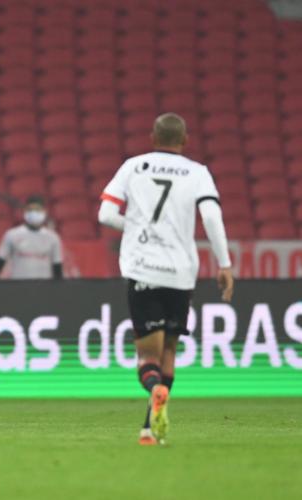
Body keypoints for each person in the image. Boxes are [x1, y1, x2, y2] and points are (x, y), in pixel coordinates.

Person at [97, 112, 234, 446]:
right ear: (185, 140)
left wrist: (136, 227)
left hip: (143, 267)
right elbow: (211, 217)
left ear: (152, 138)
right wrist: (225, 263)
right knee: (169, 349)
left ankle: (154, 390)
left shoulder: (133, 166)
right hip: (181, 272)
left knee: (148, 357)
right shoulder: (198, 172)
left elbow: (106, 214)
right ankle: (149, 429)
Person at [0, 195, 64, 280]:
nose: (34, 213)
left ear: (44, 211)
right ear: (25, 211)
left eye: (37, 210)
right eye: (30, 210)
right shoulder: (12, 235)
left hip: (44, 286)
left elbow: (57, 268)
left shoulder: (53, 238)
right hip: (18, 285)